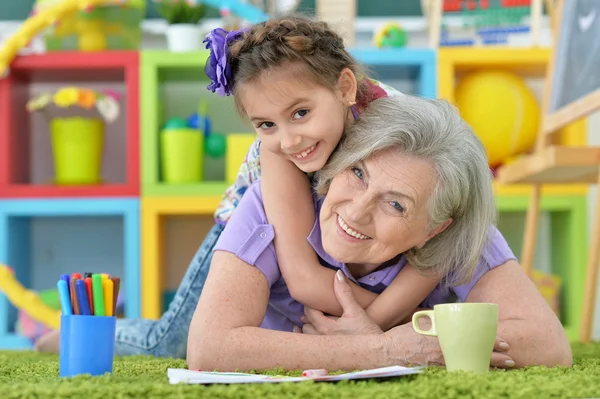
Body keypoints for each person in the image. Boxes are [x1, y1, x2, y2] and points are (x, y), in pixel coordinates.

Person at [34, 16, 429, 356]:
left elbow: (447, 238)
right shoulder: (281, 155)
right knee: (168, 342)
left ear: (345, 89)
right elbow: (305, 279)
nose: (290, 140)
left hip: (326, 231)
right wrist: (376, 331)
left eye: (301, 113)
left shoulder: (399, 128)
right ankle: (73, 335)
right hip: (252, 234)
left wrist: (369, 325)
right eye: (266, 125)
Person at [186, 95, 572, 372]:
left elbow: (546, 343)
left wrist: (396, 339)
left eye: (396, 204)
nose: (356, 210)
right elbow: (209, 347)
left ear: (435, 229)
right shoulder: (271, 205)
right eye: (357, 173)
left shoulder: (462, 237)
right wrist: (384, 348)